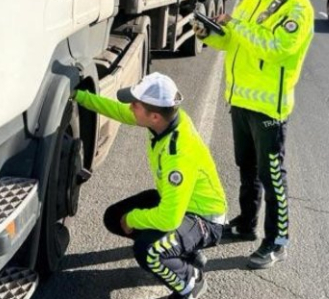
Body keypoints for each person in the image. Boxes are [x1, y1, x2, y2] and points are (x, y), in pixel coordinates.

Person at [192, 0, 314, 270]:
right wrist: (210, 34)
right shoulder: (250, 0)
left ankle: (276, 241)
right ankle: (246, 224)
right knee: (247, 169)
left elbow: (276, 48)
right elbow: (233, 41)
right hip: (241, 102)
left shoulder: (297, 7)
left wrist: (239, 27)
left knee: (273, 176)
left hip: (268, 110)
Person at [73, 72, 227, 299]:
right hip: (180, 203)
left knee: (149, 251)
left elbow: (169, 219)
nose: (130, 107)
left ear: (154, 116)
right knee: (114, 217)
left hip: (203, 218)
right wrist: (79, 96)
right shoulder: (168, 119)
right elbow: (118, 111)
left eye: (135, 104)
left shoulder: (180, 154)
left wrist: (132, 219)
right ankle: (183, 251)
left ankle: (190, 282)